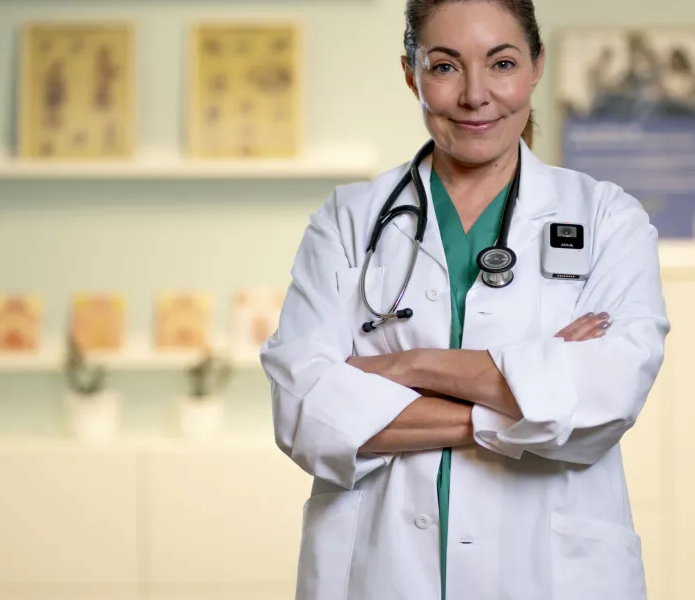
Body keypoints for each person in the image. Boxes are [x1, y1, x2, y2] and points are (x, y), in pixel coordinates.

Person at [259, 1, 670, 598]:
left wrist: (404, 366)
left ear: (536, 67)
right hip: (380, 571)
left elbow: (603, 398)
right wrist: (530, 391)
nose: (476, 95)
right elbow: (306, 413)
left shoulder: (608, 219)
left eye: (501, 63)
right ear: (411, 74)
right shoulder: (348, 221)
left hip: (550, 574)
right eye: (446, 67)